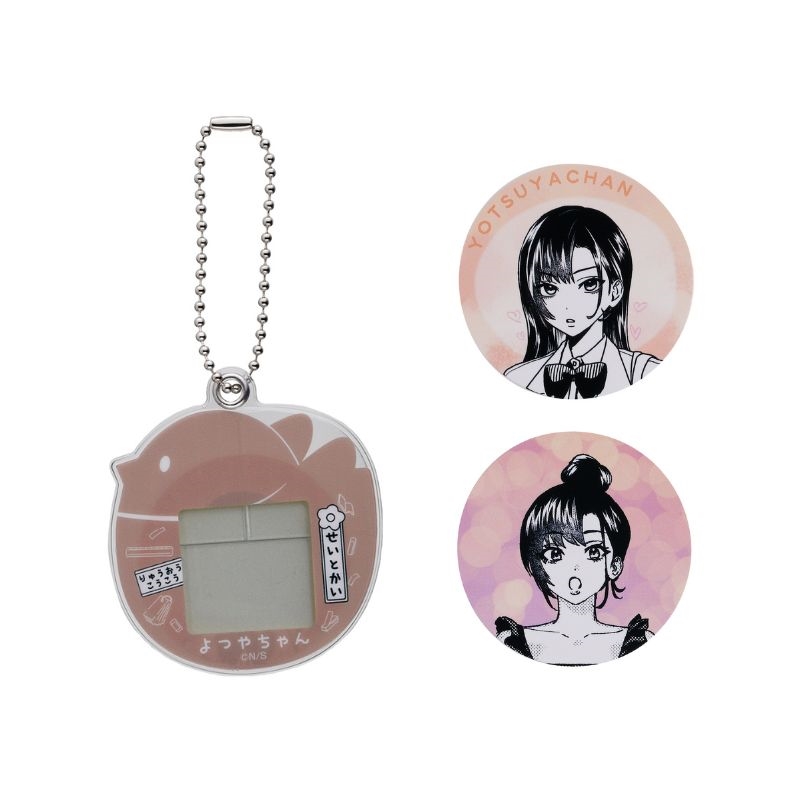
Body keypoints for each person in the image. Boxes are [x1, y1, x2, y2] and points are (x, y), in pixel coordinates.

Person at [495, 454, 653, 665]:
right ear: (535, 564)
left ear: (615, 565)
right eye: (555, 554)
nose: (575, 571)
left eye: (593, 552)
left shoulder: (639, 643)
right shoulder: (513, 643)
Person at [504, 205, 659, 398]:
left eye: (589, 284)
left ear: (614, 292)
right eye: (549, 288)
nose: (568, 305)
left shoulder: (644, 373)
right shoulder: (519, 378)